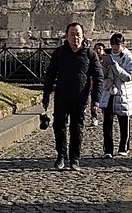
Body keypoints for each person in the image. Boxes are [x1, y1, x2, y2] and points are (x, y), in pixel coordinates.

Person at [41, 22, 101, 171]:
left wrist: (96, 100)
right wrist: (46, 94)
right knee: (59, 126)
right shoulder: (60, 53)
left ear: (83, 36)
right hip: (62, 96)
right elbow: (50, 74)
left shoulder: (90, 54)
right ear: (66, 36)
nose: (75, 37)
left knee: (77, 128)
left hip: (80, 98)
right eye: (72, 34)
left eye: (78, 34)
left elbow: (98, 77)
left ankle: (75, 158)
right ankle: (61, 155)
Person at [100, 32, 132, 157]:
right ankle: (108, 150)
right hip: (108, 93)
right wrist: (104, 67)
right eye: (113, 45)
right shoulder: (107, 55)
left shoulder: (128, 58)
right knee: (107, 124)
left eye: (118, 45)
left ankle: (124, 147)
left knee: (124, 122)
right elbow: (102, 75)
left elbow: (129, 76)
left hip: (122, 93)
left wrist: (115, 66)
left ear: (123, 44)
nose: (115, 47)